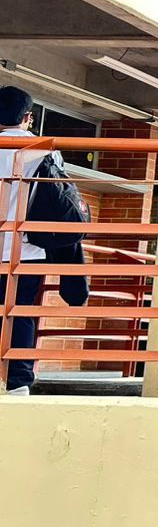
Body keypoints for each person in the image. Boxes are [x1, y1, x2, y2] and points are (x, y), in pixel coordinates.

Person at [1, 88, 49, 396]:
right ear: (28, 117)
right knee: (21, 313)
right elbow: (58, 201)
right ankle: (18, 383)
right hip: (26, 250)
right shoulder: (43, 150)